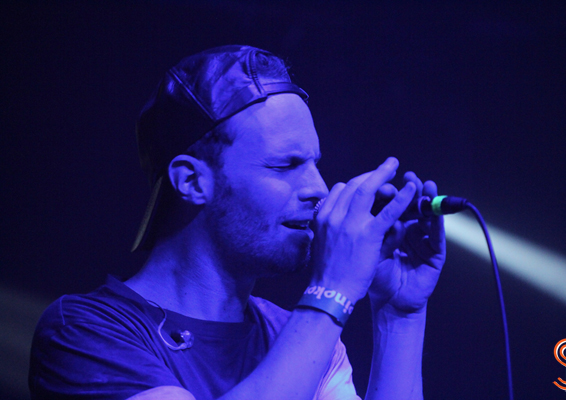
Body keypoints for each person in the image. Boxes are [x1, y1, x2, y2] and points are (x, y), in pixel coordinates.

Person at [29, 45, 445, 400]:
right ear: (192, 181)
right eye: (285, 165)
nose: (318, 189)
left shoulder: (298, 333)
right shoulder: (84, 332)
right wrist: (332, 291)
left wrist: (399, 314)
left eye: (314, 164)